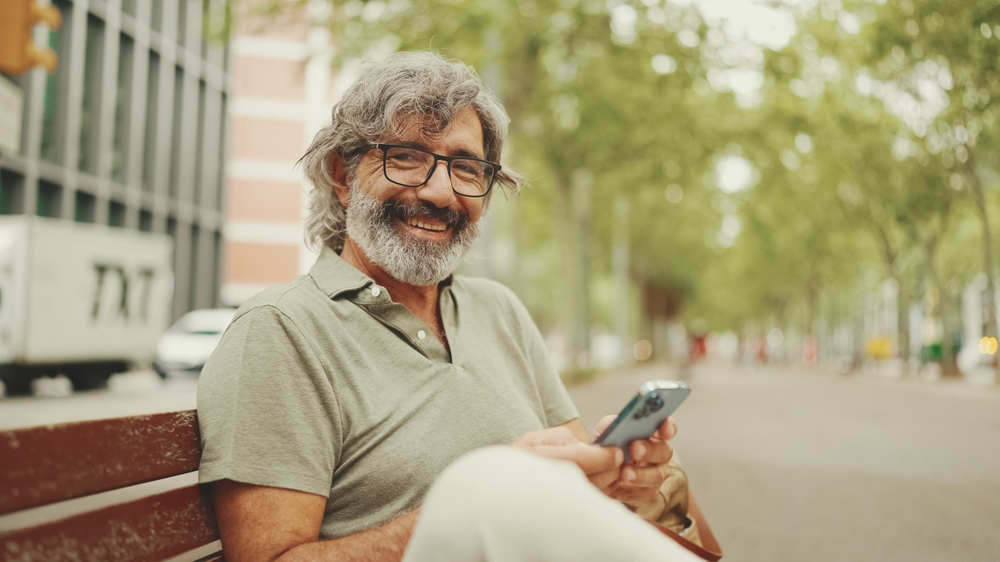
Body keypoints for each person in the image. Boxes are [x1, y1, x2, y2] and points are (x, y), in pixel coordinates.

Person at [197, 51, 696, 562]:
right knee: (483, 482)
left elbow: (574, 481)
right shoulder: (280, 330)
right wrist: (485, 500)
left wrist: (622, 479)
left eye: (465, 166)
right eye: (407, 156)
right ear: (342, 176)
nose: (441, 192)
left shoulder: (499, 309)